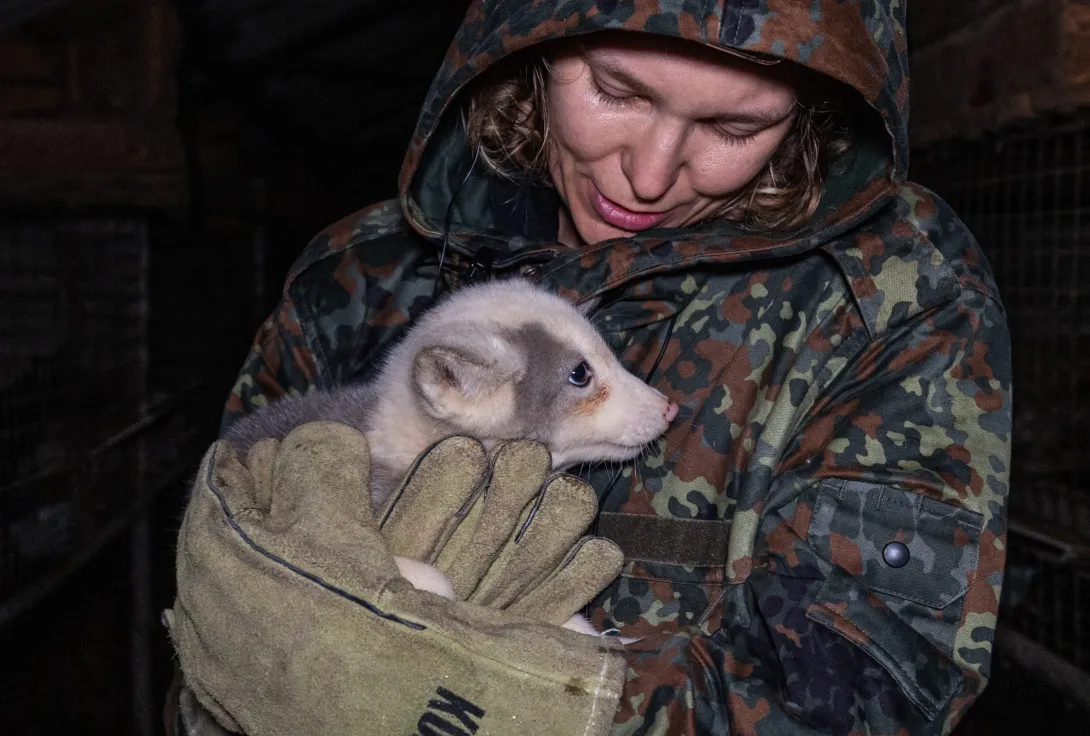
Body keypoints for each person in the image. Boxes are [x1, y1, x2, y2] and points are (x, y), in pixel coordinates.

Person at [196, 1, 1012, 734]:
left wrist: (524, 705)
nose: (649, 176)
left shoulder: (890, 294)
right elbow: (218, 587)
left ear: (809, 116)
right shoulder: (359, 273)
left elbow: (871, 691)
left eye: (735, 128)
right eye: (617, 91)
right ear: (535, 44)